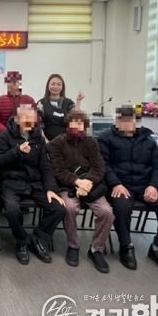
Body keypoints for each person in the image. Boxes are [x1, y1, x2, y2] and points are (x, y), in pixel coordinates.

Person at [98, 106, 158, 275]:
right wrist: (115, 183)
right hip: (120, 185)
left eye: (130, 120)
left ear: (137, 122)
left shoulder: (149, 141)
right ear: (116, 121)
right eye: (122, 120)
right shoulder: (105, 138)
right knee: (121, 207)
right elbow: (104, 165)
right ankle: (126, 245)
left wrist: (154, 186)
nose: (126, 123)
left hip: (146, 185)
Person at [0, 104, 65, 265]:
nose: (28, 121)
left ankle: (38, 238)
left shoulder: (38, 137)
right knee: (12, 209)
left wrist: (51, 189)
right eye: (24, 118)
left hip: (33, 182)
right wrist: (16, 151)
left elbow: (45, 166)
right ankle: (22, 241)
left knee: (58, 208)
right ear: (17, 119)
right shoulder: (4, 136)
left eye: (31, 118)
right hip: (11, 182)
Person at [48, 110, 113, 273]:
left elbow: (99, 167)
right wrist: (77, 182)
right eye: (74, 122)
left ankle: (96, 249)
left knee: (106, 212)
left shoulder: (91, 142)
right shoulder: (57, 143)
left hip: (91, 186)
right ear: (67, 124)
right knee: (69, 208)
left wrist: (88, 182)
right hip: (68, 186)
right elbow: (58, 170)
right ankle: (73, 245)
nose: (77, 126)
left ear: (85, 126)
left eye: (81, 123)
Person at [37, 73, 84, 141]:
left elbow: (76, 119)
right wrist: (45, 141)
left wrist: (78, 101)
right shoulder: (41, 103)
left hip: (67, 141)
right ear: (48, 86)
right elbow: (38, 125)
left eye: (59, 84)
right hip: (48, 141)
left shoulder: (68, 103)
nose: (55, 87)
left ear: (62, 87)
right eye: (53, 84)